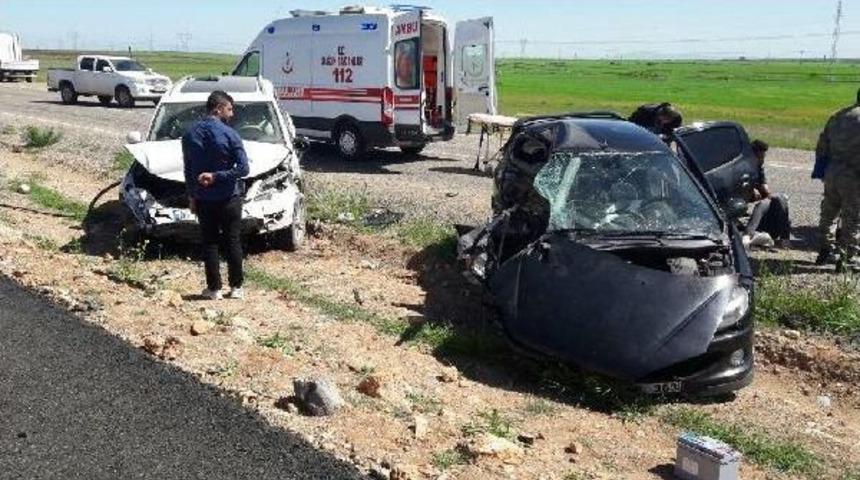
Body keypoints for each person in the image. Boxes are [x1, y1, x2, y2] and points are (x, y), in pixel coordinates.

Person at [182, 90, 250, 300]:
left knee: (210, 242)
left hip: (204, 199)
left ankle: (214, 289)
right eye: (229, 109)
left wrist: (192, 196)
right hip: (229, 197)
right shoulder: (230, 134)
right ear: (218, 109)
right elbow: (244, 169)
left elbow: (188, 169)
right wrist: (218, 176)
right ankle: (236, 287)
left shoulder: (189, 134)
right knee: (233, 241)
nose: (231, 114)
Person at [815, 88, 860, 271]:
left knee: (828, 213)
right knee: (853, 217)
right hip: (854, 174)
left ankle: (825, 248)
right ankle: (847, 257)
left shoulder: (838, 115)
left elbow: (822, 144)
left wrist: (822, 171)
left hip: (833, 171)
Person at [743, 140, 791, 247]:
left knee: (780, 198)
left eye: (763, 157)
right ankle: (748, 234)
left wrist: (767, 194)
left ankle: (785, 238)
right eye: (759, 157)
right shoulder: (742, 170)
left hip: (765, 224)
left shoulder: (758, 168)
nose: (762, 160)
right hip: (744, 215)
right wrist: (751, 191)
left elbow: (763, 186)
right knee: (762, 204)